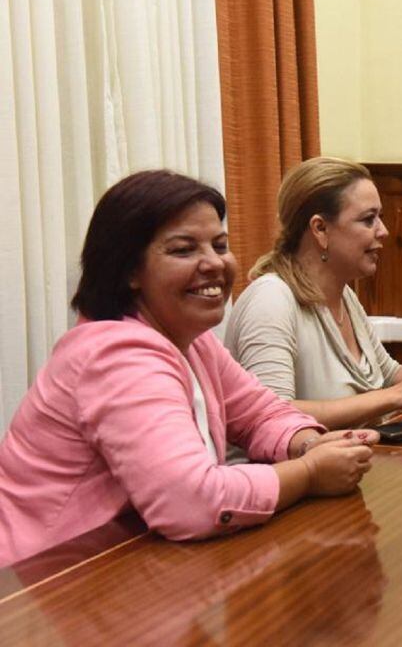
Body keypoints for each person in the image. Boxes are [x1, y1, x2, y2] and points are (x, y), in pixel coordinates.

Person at [0, 171, 377, 568]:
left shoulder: (191, 340)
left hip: (129, 564)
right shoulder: (115, 356)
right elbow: (192, 502)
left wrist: (310, 444)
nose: (214, 263)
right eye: (183, 250)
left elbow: (260, 414)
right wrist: (310, 473)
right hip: (40, 582)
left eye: (220, 245)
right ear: (128, 270)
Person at [225, 157, 402, 429]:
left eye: (380, 218)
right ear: (320, 229)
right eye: (368, 220)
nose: (384, 231)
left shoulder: (345, 296)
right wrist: (393, 397)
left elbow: (389, 373)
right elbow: (272, 415)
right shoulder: (270, 300)